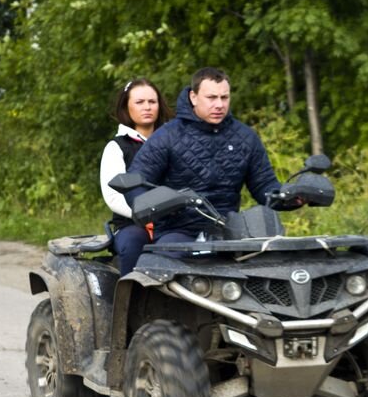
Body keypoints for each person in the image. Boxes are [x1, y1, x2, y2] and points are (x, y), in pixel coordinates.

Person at [127, 67, 281, 250]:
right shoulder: (166, 136)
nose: (219, 104)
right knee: (161, 265)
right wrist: (152, 205)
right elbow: (136, 182)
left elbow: (265, 186)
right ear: (193, 97)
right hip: (178, 231)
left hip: (231, 230)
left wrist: (292, 196)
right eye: (211, 98)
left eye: (224, 98)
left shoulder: (246, 137)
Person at [100, 78, 173, 274]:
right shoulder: (117, 147)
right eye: (139, 102)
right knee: (133, 242)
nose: (147, 107)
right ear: (127, 107)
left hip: (175, 221)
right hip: (132, 224)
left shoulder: (173, 140)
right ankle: (132, 302)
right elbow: (113, 197)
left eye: (152, 101)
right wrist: (147, 219)